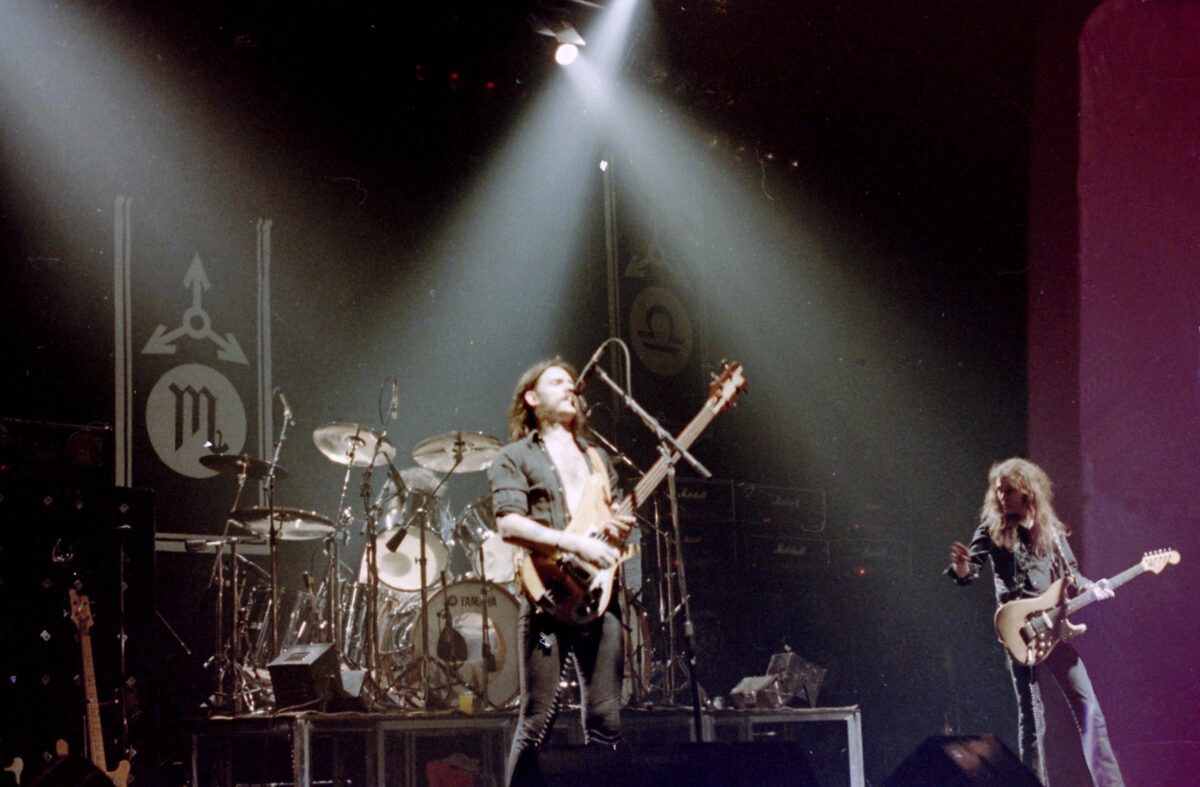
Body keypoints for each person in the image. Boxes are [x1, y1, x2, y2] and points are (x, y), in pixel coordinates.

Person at [488, 358, 634, 786]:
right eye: (558, 381)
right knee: (537, 722)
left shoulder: (598, 459)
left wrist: (619, 528)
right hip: (548, 598)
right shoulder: (514, 456)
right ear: (532, 399)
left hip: (599, 596)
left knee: (607, 720)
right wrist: (576, 542)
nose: (571, 387)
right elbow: (509, 524)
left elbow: (617, 526)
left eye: (574, 383)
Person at [948, 457, 1124, 786]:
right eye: (998, 492)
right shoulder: (990, 530)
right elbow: (968, 574)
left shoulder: (1051, 531)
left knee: (1089, 708)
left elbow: (1073, 575)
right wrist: (960, 566)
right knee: (1033, 722)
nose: (1001, 497)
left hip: (1055, 630)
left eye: (1008, 491)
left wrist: (1091, 587)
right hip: (1020, 634)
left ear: (1027, 491)